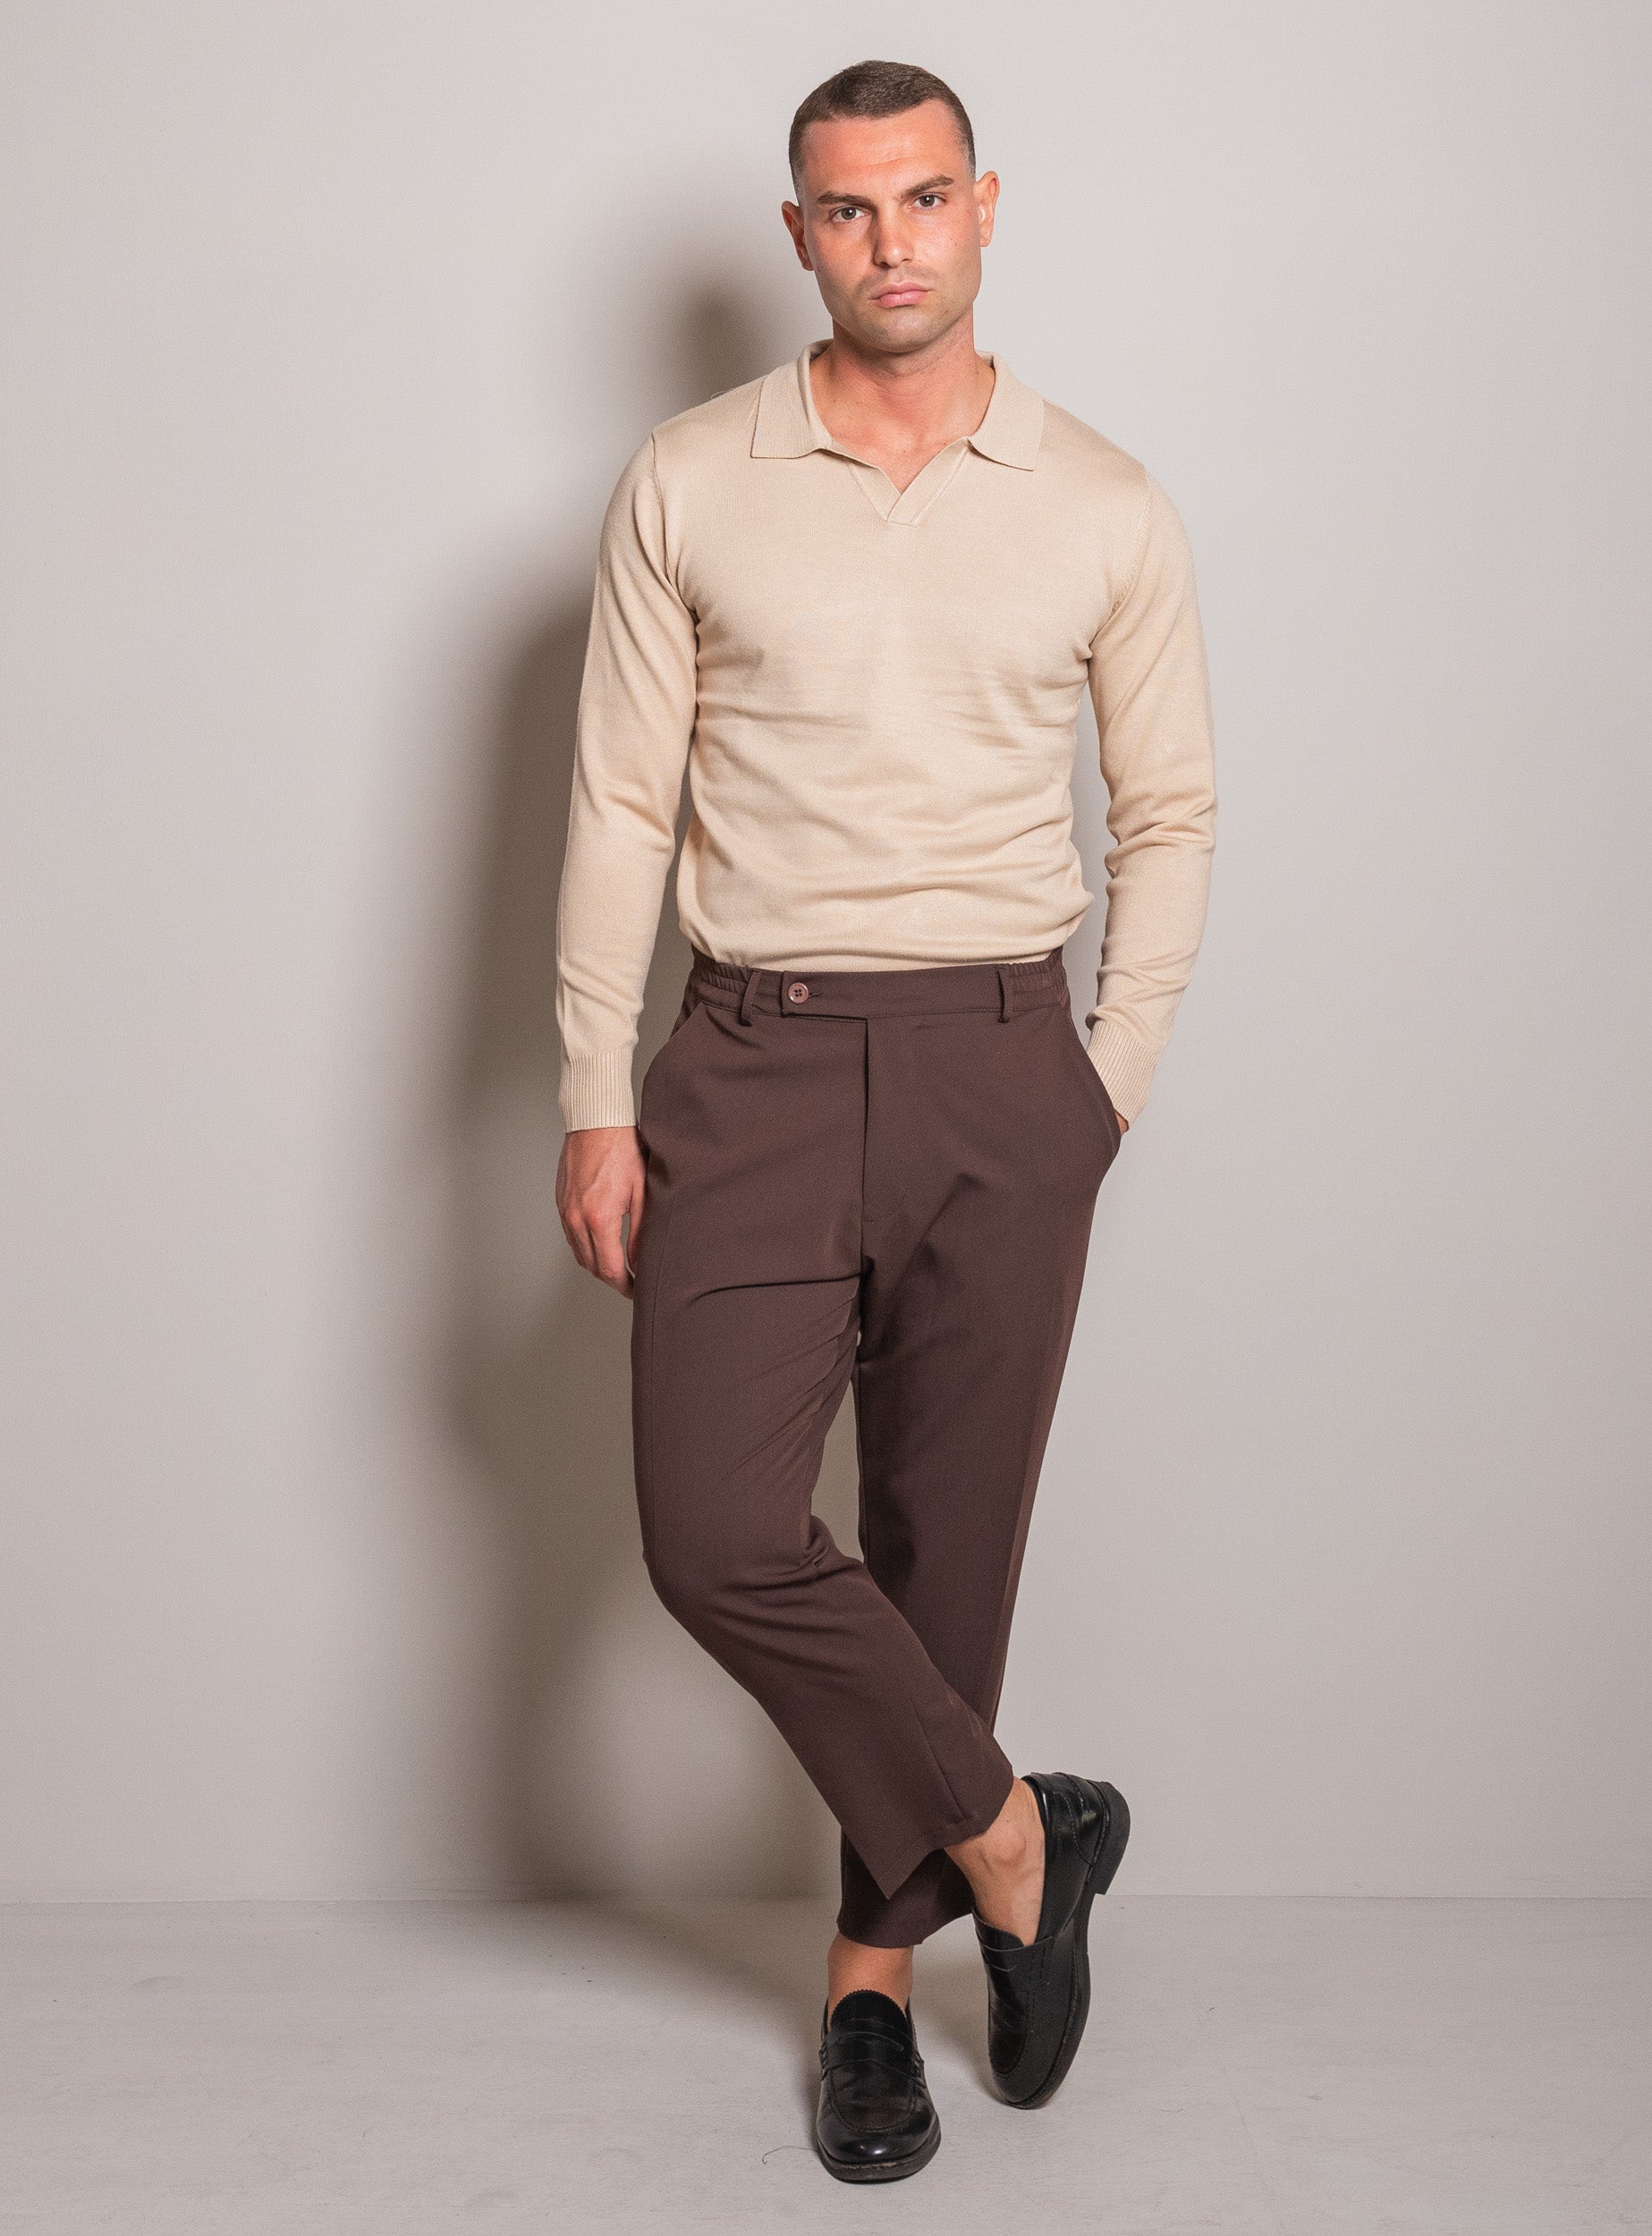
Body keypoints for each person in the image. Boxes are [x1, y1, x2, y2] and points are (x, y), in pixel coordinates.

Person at [553, 56, 1216, 2184]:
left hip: (1005, 1064)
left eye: (924, 198)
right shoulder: (690, 475)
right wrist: (591, 1090)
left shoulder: (1100, 496)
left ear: (983, 206)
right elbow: (620, 800)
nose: (890, 242)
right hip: (745, 1059)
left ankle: (865, 1985)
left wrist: (1101, 1081)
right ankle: (1023, 1839)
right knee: (717, 1529)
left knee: (947, 1549)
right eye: (847, 209)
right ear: (798, 234)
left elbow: (1171, 812)